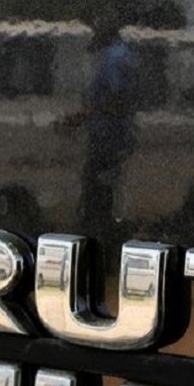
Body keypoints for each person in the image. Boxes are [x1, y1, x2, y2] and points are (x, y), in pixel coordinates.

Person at [61, 13, 140, 240]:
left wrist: (80, 117)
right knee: (105, 192)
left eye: (98, 29)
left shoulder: (115, 58)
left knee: (98, 196)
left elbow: (114, 99)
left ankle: (100, 244)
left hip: (108, 139)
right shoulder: (122, 54)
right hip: (114, 138)